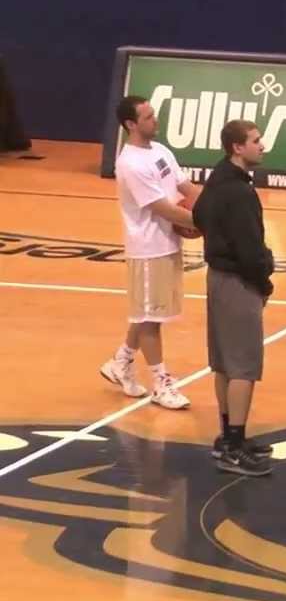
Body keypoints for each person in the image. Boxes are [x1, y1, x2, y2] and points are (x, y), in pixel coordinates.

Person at [98, 96, 197, 411]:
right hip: (147, 249)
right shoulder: (130, 164)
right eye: (149, 117)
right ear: (131, 124)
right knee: (150, 319)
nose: (156, 120)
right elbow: (164, 209)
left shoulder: (161, 151)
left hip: (168, 244)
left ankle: (121, 362)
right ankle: (161, 384)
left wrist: (211, 206)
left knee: (147, 313)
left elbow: (186, 188)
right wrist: (206, 222)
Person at [192, 120, 276, 476]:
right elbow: (249, 249)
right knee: (243, 366)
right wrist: (265, 282)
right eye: (256, 141)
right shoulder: (240, 193)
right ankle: (234, 448)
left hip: (217, 278)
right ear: (237, 147)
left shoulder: (218, 178)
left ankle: (228, 438)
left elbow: (197, 215)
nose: (262, 146)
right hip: (239, 282)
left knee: (224, 363)